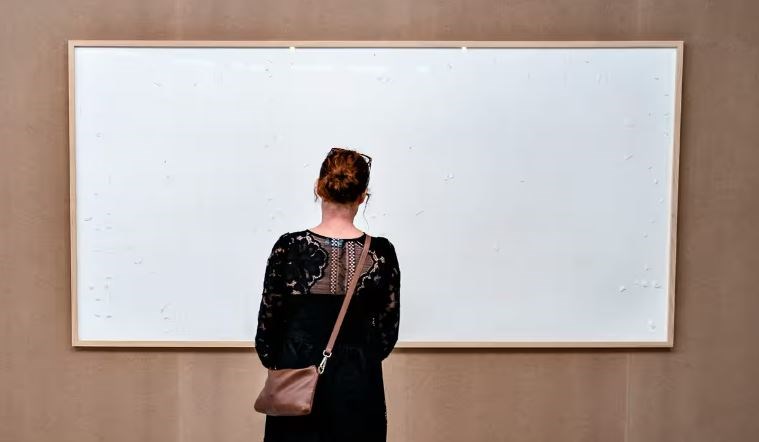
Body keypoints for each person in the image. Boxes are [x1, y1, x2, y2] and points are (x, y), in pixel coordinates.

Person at [255, 147, 401, 442]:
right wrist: (361, 356)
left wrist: (280, 357)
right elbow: (388, 331)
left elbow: (268, 325)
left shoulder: (289, 247)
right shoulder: (381, 252)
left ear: (319, 188)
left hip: (296, 375)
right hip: (358, 380)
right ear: (362, 196)